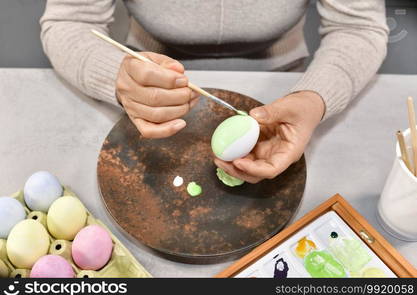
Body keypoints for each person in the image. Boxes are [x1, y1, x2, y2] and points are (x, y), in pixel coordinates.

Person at [40, 0, 388, 183]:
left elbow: (358, 27)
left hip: (287, 83)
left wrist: (315, 97)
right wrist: (116, 75)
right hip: (149, 78)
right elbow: (70, 22)